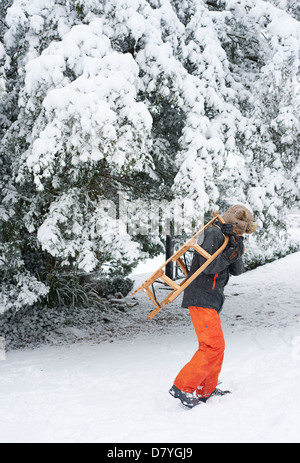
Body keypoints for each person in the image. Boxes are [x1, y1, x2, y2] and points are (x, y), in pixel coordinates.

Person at [169, 204, 257, 408]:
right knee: (212, 346)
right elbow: (207, 268)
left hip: (211, 298)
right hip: (202, 296)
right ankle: (183, 387)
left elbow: (237, 270)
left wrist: (236, 244)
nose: (239, 234)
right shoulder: (212, 233)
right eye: (240, 230)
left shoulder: (226, 237)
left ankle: (204, 390)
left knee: (216, 347)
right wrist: (229, 251)